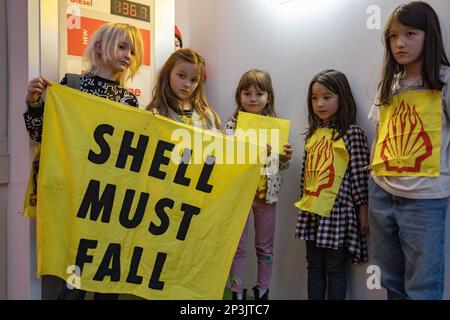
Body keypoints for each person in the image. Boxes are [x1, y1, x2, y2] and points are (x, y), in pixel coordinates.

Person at [24, 22, 144, 300]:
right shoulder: (72, 86)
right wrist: (34, 104)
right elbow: (41, 134)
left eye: (133, 50)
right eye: (123, 46)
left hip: (111, 201)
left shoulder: (129, 101)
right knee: (73, 280)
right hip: (76, 198)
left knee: (106, 279)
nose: (129, 54)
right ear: (100, 47)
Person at [368, 1, 450, 300]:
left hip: (425, 198)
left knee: (423, 285)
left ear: (429, 35)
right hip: (382, 192)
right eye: (392, 36)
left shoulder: (444, 81)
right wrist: (372, 179)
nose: (399, 43)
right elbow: (380, 135)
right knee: (390, 281)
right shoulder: (388, 85)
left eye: (410, 33)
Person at [295, 69, 369, 300]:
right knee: (313, 266)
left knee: (336, 268)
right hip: (313, 211)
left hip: (337, 213)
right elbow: (305, 174)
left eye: (327, 97)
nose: (320, 104)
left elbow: (360, 175)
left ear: (341, 97)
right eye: (315, 98)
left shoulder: (351, 133)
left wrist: (363, 212)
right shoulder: (314, 133)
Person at [225, 69, 293, 300]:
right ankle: (237, 293)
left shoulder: (275, 126)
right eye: (247, 93)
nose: (253, 98)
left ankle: (262, 291)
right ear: (239, 96)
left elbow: (280, 167)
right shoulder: (232, 126)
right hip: (239, 195)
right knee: (237, 246)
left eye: (259, 93)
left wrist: (284, 158)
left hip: (267, 195)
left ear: (269, 96)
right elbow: (225, 161)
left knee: (265, 248)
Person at [146, 48, 220, 130]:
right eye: (181, 76)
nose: (187, 84)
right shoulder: (155, 112)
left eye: (193, 80)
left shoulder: (207, 116)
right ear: (168, 74)